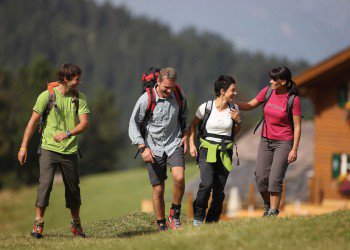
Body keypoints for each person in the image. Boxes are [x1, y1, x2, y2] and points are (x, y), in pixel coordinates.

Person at [18, 63, 90, 238]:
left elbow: (84, 123)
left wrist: (67, 133)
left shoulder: (79, 98)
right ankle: (38, 223)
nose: (79, 82)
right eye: (76, 79)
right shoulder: (47, 96)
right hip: (48, 149)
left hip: (70, 150)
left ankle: (76, 224)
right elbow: (32, 123)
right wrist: (23, 146)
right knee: (45, 185)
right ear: (66, 79)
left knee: (73, 189)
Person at [237, 66, 302, 216]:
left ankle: (273, 212)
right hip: (265, 141)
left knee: (275, 179)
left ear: (284, 82)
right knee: (260, 177)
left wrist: (294, 149)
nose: (271, 81)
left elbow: (297, 127)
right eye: (271, 78)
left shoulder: (293, 100)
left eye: (274, 79)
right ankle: (267, 205)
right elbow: (250, 105)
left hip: (284, 142)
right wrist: (231, 103)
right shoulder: (267, 92)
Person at [128, 67, 188, 231]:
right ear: (158, 82)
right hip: (153, 146)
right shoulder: (145, 99)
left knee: (179, 176)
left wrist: (186, 134)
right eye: (165, 88)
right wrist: (142, 147)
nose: (169, 91)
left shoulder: (178, 95)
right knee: (158, 188)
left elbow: (184, 115)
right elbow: (133, 124)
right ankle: (161, 224)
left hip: (174, 141)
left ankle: (174, 215)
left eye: (172, 87)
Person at [189, 75, 242, 226]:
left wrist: (238, 121)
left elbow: (235, 131)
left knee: (219, 190)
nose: (235, 93)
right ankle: (198, 218)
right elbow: (192, 126)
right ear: (222, 91)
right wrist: (192, 145)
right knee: (206, 184)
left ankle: (212, 221)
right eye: (233, 90)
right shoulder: (206, 107)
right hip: (207, 150)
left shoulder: (234, 108)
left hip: (226, 151)